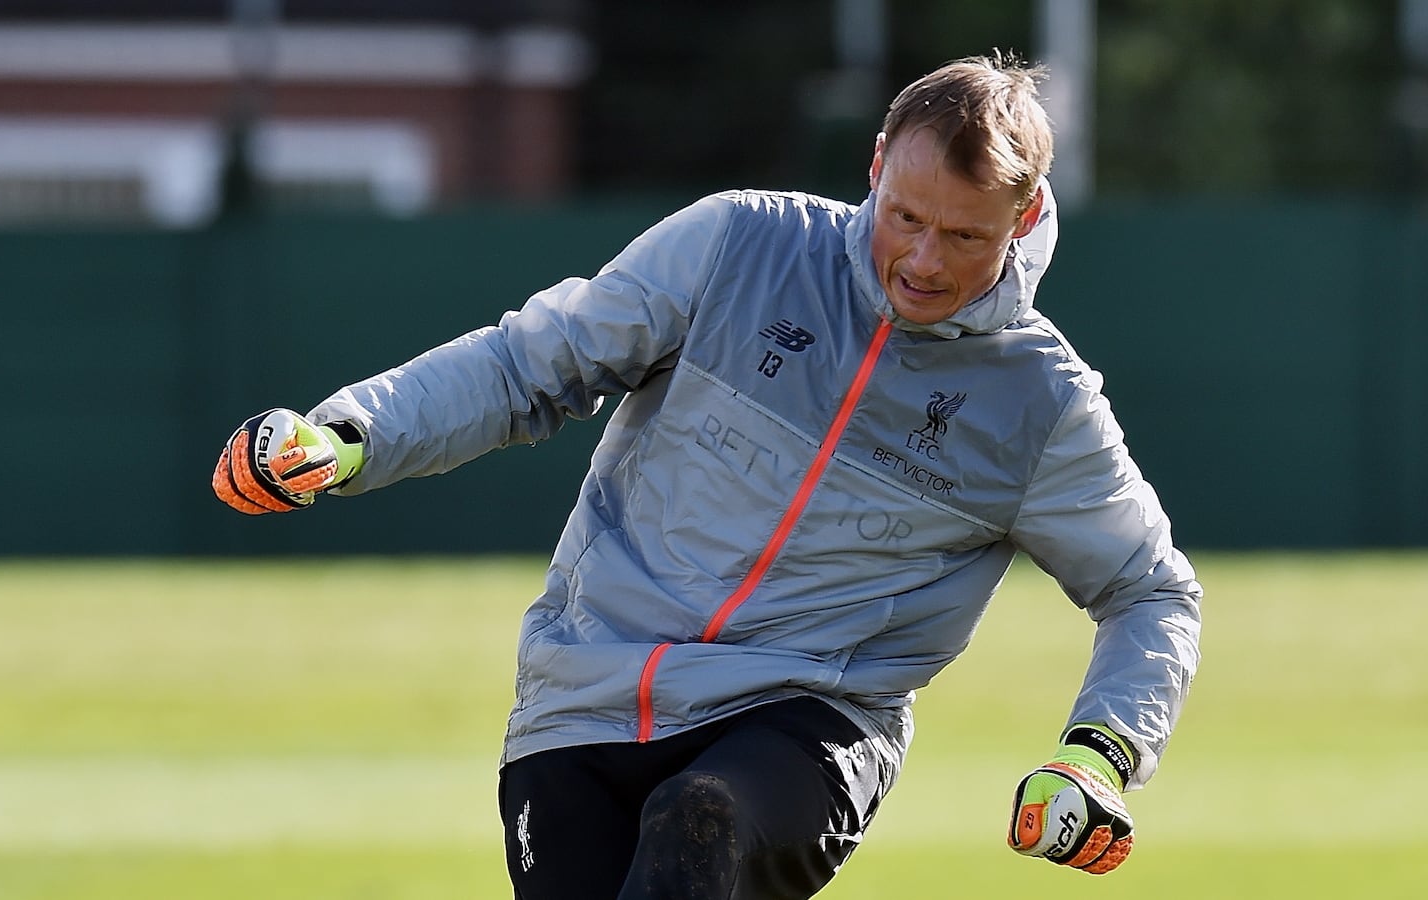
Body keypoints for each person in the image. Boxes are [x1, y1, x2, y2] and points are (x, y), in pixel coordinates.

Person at [212, 51, 1203, 899]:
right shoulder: (737, 243)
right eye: (903, 216)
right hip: (584, 693)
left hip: (806, 722)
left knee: (702, 820)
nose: (921, 261)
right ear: (871, 169)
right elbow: (529, 363)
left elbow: (1150, 589)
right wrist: (347, 436)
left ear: (1024, 216)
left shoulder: (1042, 403)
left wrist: (1098, 754)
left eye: (963, 236)